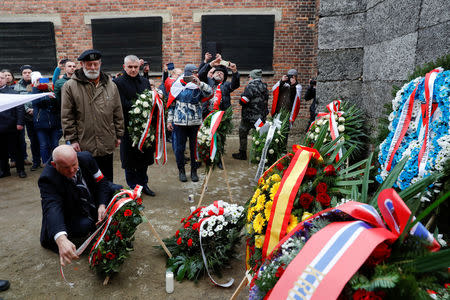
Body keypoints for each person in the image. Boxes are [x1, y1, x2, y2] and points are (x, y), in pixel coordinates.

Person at [39, 145, 112, 265]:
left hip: (89, 200)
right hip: (70, 211)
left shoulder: (86, 158)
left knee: (118, 192)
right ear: (54, 165)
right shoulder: (47, 178)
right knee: (85, 225)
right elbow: (52, 207)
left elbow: (102, 181)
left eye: (74, 165)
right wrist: (61, 239)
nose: (72, 171)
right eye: (66, 168)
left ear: (77, 157)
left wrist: (102, 205)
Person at [61, 49, 124, 182]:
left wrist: (119, 135)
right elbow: (67, 115)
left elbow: (117, 111)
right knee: (88, 180)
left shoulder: (111, 85)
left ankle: (107, 202)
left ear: (100, 64)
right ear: (83, 64)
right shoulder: (70, 86)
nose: (93, 67)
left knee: (107, 179)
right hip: (84, 142)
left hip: (106, 139)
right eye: (89, 64)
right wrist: (72, 139)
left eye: (96, 64)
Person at [113, 55, 156, 196]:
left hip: (145, 127)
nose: (133, 70)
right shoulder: (118, 82)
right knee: (130, 160)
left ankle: (144, 184)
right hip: (127, 128)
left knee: (143, 159)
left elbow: (150, 100)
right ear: (124, 67)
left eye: (135, 67)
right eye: (130, 67)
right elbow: (121, 104)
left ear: (139, 67)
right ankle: (133, 187)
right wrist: (141, 106)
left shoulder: (144, 81)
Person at [167, 64, 213, 182]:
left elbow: (210, 93)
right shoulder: (177, 84)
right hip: (179, 122)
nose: (195, 74)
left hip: (195, 122)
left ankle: (194, 171)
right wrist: (169, 120)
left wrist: (199, 83)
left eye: (196, 72)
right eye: (193, 72)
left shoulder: (198, 85)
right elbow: (172, 104)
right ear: (187, 72)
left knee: (194, 148)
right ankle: (181, 170)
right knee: (179, 148)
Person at [232, 69, 269, 160]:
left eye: (249, 77)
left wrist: (241, 98)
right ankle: (259, 155)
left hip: (249, 117)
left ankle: (242, 153)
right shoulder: (265, 87)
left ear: (252, 77)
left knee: (243, 132)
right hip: (260, 117)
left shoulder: (250, 86)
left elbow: (244, 101)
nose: (249, 78)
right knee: (259, 134)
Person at [31, 71, 62, 164]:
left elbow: (57, 105)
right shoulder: (32, 90)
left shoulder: (50, 90)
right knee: (43, 145)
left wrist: (50, 93)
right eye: (37, 80)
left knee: (55, 144)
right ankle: (46, 163)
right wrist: (36, 88)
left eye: (41, 79)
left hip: (54, 122)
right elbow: (35, 102)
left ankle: (56, 162)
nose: (40, 82)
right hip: (40, 123)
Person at [14, 64, 41, 171]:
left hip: (38, 114)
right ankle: (36, 161)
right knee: (33, 139)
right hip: (26, 116)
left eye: (29, 72)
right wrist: (27, 109)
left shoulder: (37, 83)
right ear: (21, 75)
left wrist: (35, 109)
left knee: (41, 139)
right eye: (25, 73)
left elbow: (41, 96)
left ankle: (44, 160)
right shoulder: (18, 86)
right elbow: (17, 100)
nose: (27, 74)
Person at [0, 71, 27, 178]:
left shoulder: (13, 92)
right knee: (1, 151)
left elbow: (20, 109)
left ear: (6, 79)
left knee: (16, 149)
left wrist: (20, 123)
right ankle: (4, 171)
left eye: (2, 77)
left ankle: (21, 170)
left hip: (12, 126)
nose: (0, 80)